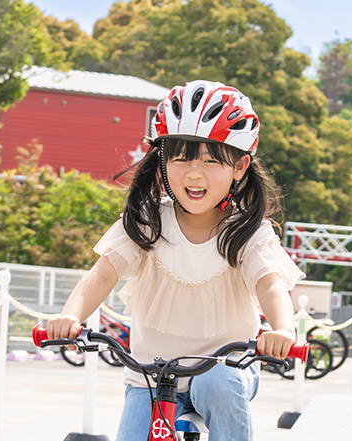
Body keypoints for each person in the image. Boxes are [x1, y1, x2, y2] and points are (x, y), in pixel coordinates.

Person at [46, 80, 303, 441]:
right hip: (151, 377)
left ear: (240, 166)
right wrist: (71, 316)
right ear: (163, 162)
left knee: (217, 382)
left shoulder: (246, 231)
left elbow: (270, 284)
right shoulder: (148, 220)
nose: (194, 173)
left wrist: (283, 330)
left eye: (211, 160)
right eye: (180, 158)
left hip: (225, 369)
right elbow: (102, 274)